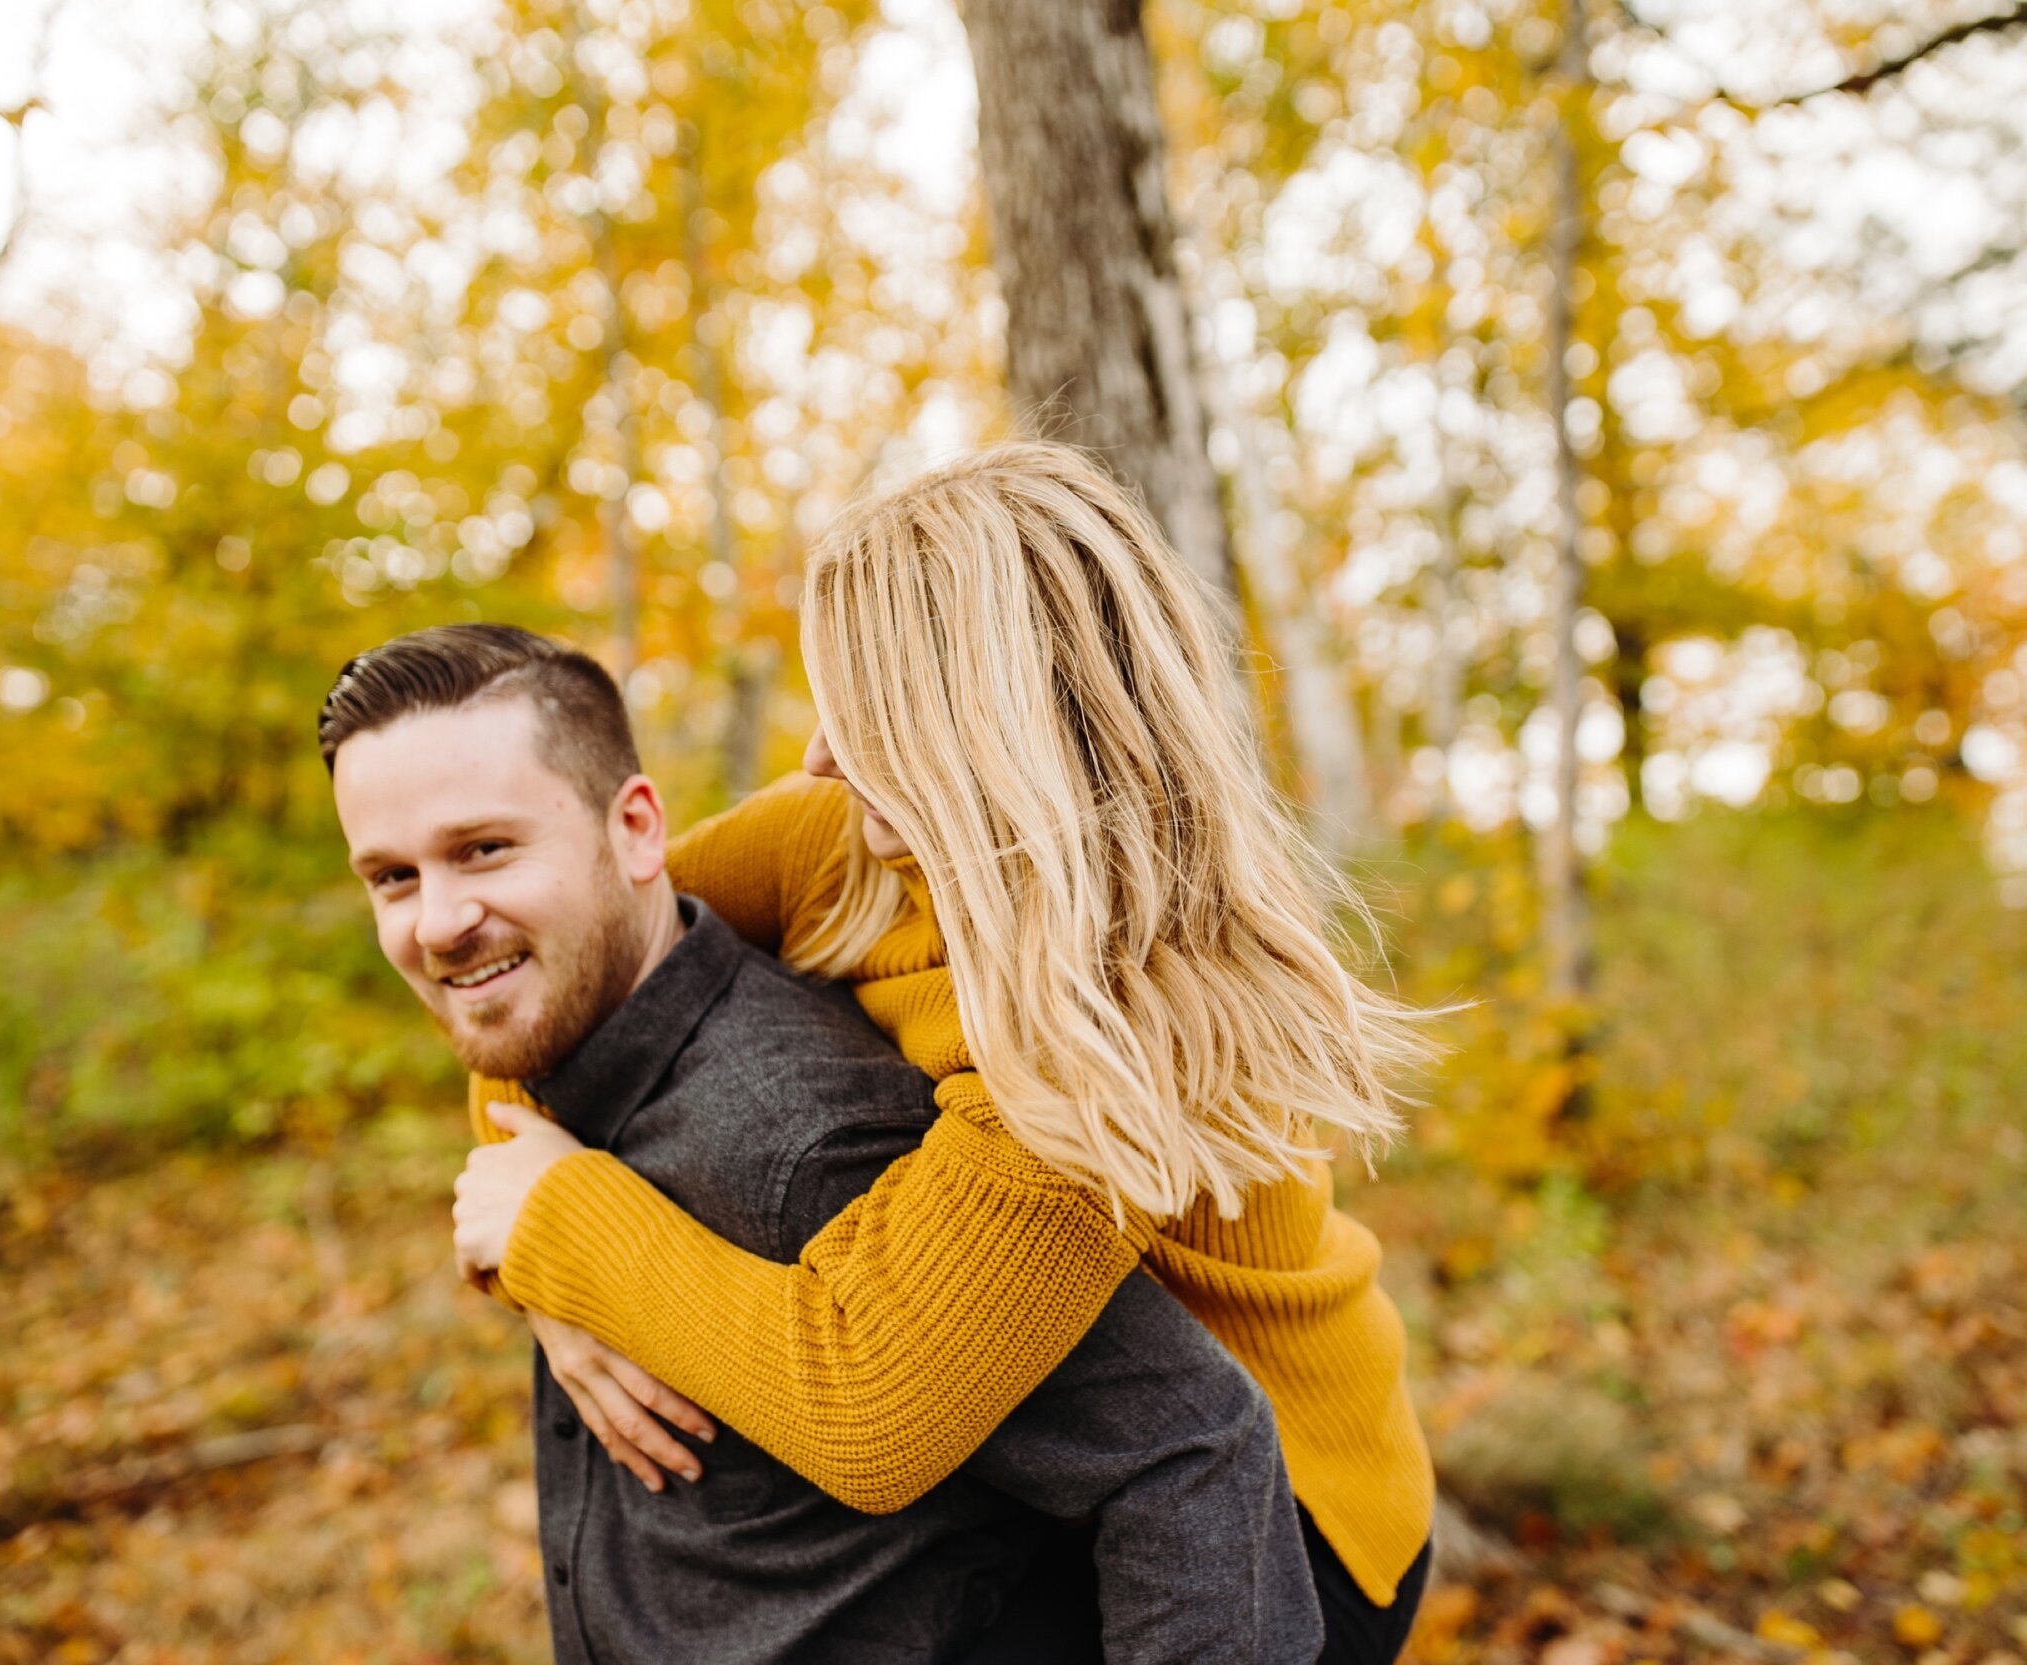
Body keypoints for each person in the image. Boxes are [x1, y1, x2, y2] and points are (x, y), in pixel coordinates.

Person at [452, 442, 1438, 1665]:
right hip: (1050, 1435)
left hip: (1268, 1531)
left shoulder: (1115, 1026)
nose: (815, 753)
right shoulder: (838, 842)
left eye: (859, 711)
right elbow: (559, 964)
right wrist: (556, 1295)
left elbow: (870, 1405)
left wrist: (563, 1226)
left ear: (967, 733)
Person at [321, 625, 1321, 1664]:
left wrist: (566, 1229)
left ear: (633, 831)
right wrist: (547, 1264)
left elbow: (1192, 1446)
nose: (436, 922)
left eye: (484, 848)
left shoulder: (840, 1132)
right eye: (391, 877)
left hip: (1325, 1492)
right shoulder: (815, 846)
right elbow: (523, 989)